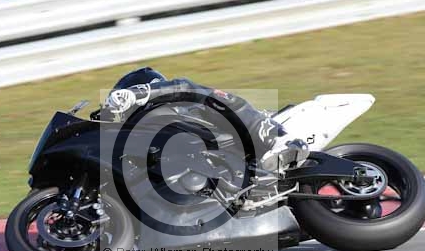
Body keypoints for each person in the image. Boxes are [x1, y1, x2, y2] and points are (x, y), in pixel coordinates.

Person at [103, 67, 309, 172]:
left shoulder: (179, 106)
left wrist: (138, 93)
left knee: (209, 98)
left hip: (251, 139)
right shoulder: (143, 136)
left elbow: (183, 86)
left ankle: (278, 139)